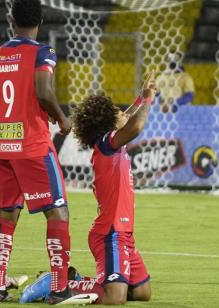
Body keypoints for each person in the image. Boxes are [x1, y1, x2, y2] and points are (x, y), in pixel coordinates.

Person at [0, 0, 95, 304]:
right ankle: (60, 288)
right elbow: (44, 91)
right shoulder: (42, 52)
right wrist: (61, 117)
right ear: (40, 21)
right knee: (58, 211)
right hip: (32, 145)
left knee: (7, 213)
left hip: (2, 144)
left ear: (12, 21)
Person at [68, 73, 156, 304]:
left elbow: (127, 118)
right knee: (114, 299)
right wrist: (147, 101)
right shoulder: (107, 143)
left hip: (125, 235)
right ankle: (58, 283)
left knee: (142, 293)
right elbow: (135, 125)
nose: (123, 113)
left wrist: (141, 97)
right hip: (110, 234)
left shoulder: (111, 144)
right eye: (117, 111)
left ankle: (78, 279)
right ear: (108, 124)